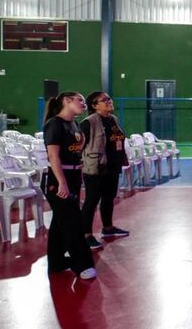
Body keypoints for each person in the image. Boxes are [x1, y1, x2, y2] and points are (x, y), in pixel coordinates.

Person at [43, 91, 96, 280]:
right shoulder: (54, 124)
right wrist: (62, 183)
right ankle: (82, 265)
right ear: (66, 101)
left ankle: (56, 263)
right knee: (73, 223)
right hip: (58, 179)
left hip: (73, 175)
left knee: (60, 222)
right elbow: (53, 157)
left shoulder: (73, 124)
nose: (83, 103)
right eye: (79, 100)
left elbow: (76, 150)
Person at [80, 91, 129, 250]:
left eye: (109, 99)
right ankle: (86, 235)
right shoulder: (88, 122)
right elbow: (80, 147)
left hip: (112, 166)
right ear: (95, 105)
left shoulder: (113, 120)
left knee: (109, 198)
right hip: (95, 169)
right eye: (105, 100)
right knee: (91, 201)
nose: (109, 101)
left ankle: (107, 228)